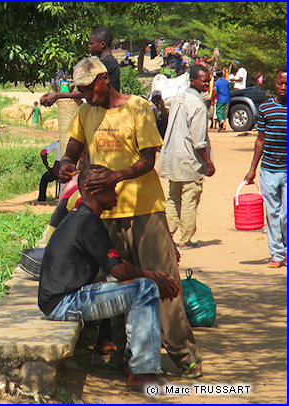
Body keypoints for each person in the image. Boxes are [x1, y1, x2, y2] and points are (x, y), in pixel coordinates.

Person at [58, 56, 202, 378]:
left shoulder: (137, 108)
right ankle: (132, 357)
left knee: (164, 281)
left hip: (144, 209)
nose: (84, 94)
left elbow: (149, 159)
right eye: (79, 89)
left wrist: (115, 176)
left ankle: (185, 355)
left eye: (88, 87)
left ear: (104, 79)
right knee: (121, 283)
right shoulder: (85, 112)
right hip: (107, 213)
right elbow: (71, 152)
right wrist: (65, 165)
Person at [39, 164, 181, 391]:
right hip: (64, 304)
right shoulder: (87, 222)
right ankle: (142, 372)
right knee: (145, 289)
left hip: (61, 299)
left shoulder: (82, 216)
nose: (116, 195)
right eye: (111, 190)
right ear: (95, 192)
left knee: (132, 285)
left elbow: (114, 270)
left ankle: (132, 360)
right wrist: (154, 277)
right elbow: (119, 270)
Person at [157, 64, 215, 251]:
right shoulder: (197, 105)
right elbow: (198, 141)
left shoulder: (179, 97)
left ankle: (167, 235)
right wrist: (208, 163)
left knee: (173, 198)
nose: (207, 84)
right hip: (189, 160)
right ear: (193, 81)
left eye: (208, 80)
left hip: (174, 157)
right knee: (189, 199)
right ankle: (185, 240)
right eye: (203, 80)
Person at [243, 68, 287, 268]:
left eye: (286, 84)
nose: (283, 87)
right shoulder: (266, 108)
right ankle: (277, 255)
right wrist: (252, 169)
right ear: (275, 84)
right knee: (273, 213)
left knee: (285, 214)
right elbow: (260, 140)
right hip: (268, 169)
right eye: (280, 83)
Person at [40, 27, 120, 107]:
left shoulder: (105, 63)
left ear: (102, 44)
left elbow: (88, 92)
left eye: (91, 43)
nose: (88, 46)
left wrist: (57, 95)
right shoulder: (106, 61)